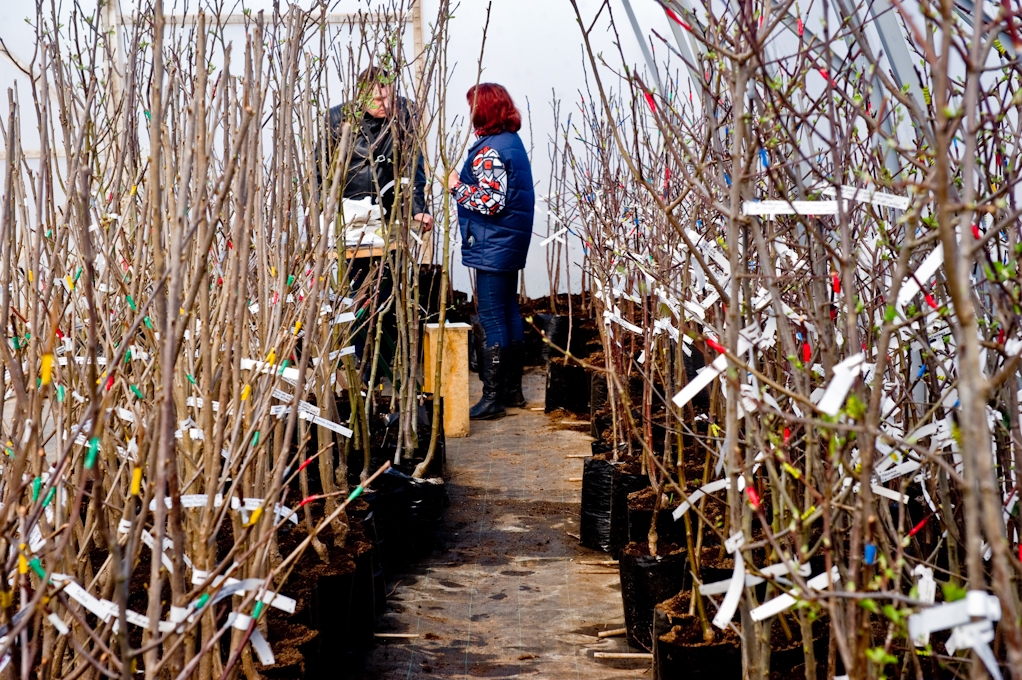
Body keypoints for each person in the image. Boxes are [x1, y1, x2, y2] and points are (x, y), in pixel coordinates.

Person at [321, 67, 432, 378]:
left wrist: (416, 209)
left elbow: (414, 166)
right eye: (376, 97)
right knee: (357, 290)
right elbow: (321, 168)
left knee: (389, 289)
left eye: (388, 95)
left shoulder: (405, 114)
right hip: (351, 217)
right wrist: (323, 213)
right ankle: (362, 361)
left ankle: (389, 360)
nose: (383, 103)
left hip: (389, 215)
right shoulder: (337, 119)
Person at [448, 83, 534, 420]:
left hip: (493, 244)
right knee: (509, 311)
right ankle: (512, 390)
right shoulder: (511, 142)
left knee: (492, 317)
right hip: (508, 241)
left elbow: (490, 201)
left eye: (472, 106)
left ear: (483, 110)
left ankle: (493, 397)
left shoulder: (489, 151)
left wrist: (456, 186)